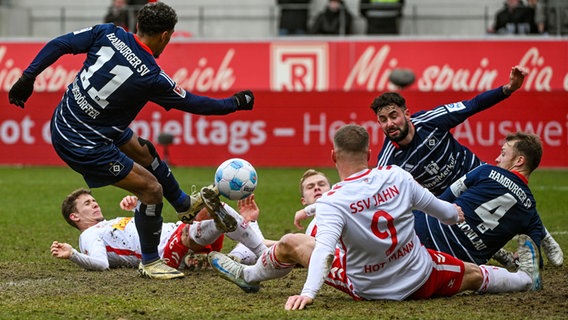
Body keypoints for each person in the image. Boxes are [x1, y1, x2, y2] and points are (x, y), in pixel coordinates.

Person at [8, 2, 255, 279]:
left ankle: (184, 204)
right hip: (82, 143)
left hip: (70, 119)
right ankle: (150, 262)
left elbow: (60, 43)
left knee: (144, 150)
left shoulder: (108, 33)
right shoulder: (152, 76)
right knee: (151, 190)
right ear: (165, 35)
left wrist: (28, 77)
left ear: (137, 24)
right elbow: (197, 104)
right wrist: (235, 102)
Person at [207, 124, 542, 310]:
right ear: (369, 154)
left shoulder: (333, 201)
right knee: (476, 275)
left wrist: (309, 293)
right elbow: (443, 211)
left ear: (333, 155)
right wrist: (457, 214)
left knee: (293, 244)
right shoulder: (397, 176)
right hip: (419, 275)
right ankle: (527, 278)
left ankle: (251, 274)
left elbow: (323, 252)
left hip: (364, 285)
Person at [372, 65, 563, 267]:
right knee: (472, 231)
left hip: (476, 175)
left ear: (406, 114)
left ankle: (543, 235)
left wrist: (508, 88)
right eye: (382, 120)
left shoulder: (430, 121)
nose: (389, 124)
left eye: (393, 116)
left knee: (515, 192)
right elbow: (383, 198)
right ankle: (501, 255)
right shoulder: (388, 160)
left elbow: (473, 105)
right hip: (450, 197)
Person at [51, 188, 267, 271]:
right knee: (213, 213)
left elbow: (143, 228)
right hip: (165, 254)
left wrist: (138, 207)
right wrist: (73, 255)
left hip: (178, 234)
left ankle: (260, 244)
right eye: (87, 204)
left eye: (93, 200)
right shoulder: (89, 234)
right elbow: (101, 264)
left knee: (208, 213)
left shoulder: (109, 224)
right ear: (75, 216)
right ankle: (256, 245)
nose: (95, 204)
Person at [414, 132, 546, 267]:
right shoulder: (530, 209)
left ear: (519, 161)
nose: (497, 159)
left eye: (503, 154)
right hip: (456, 264)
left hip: (423, 233)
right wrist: (520, 257)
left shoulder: (485, 171)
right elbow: (535, 259)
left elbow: (443, 200)